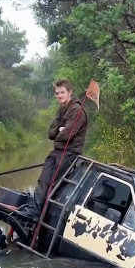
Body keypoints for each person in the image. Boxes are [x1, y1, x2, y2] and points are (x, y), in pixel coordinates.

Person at [31, 79, 89, 212]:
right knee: (43, 180)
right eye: (57, 93)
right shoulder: (62, 109)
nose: (59, 96)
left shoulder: (77, 110)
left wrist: (62, 131)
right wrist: (59, 129)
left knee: (54, 185)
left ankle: (47, 214)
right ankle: (35, 210)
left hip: (69, 153)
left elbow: (67, 135)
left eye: (62, 92)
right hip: (57, 151)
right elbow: (50, 133)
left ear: (70, 92)